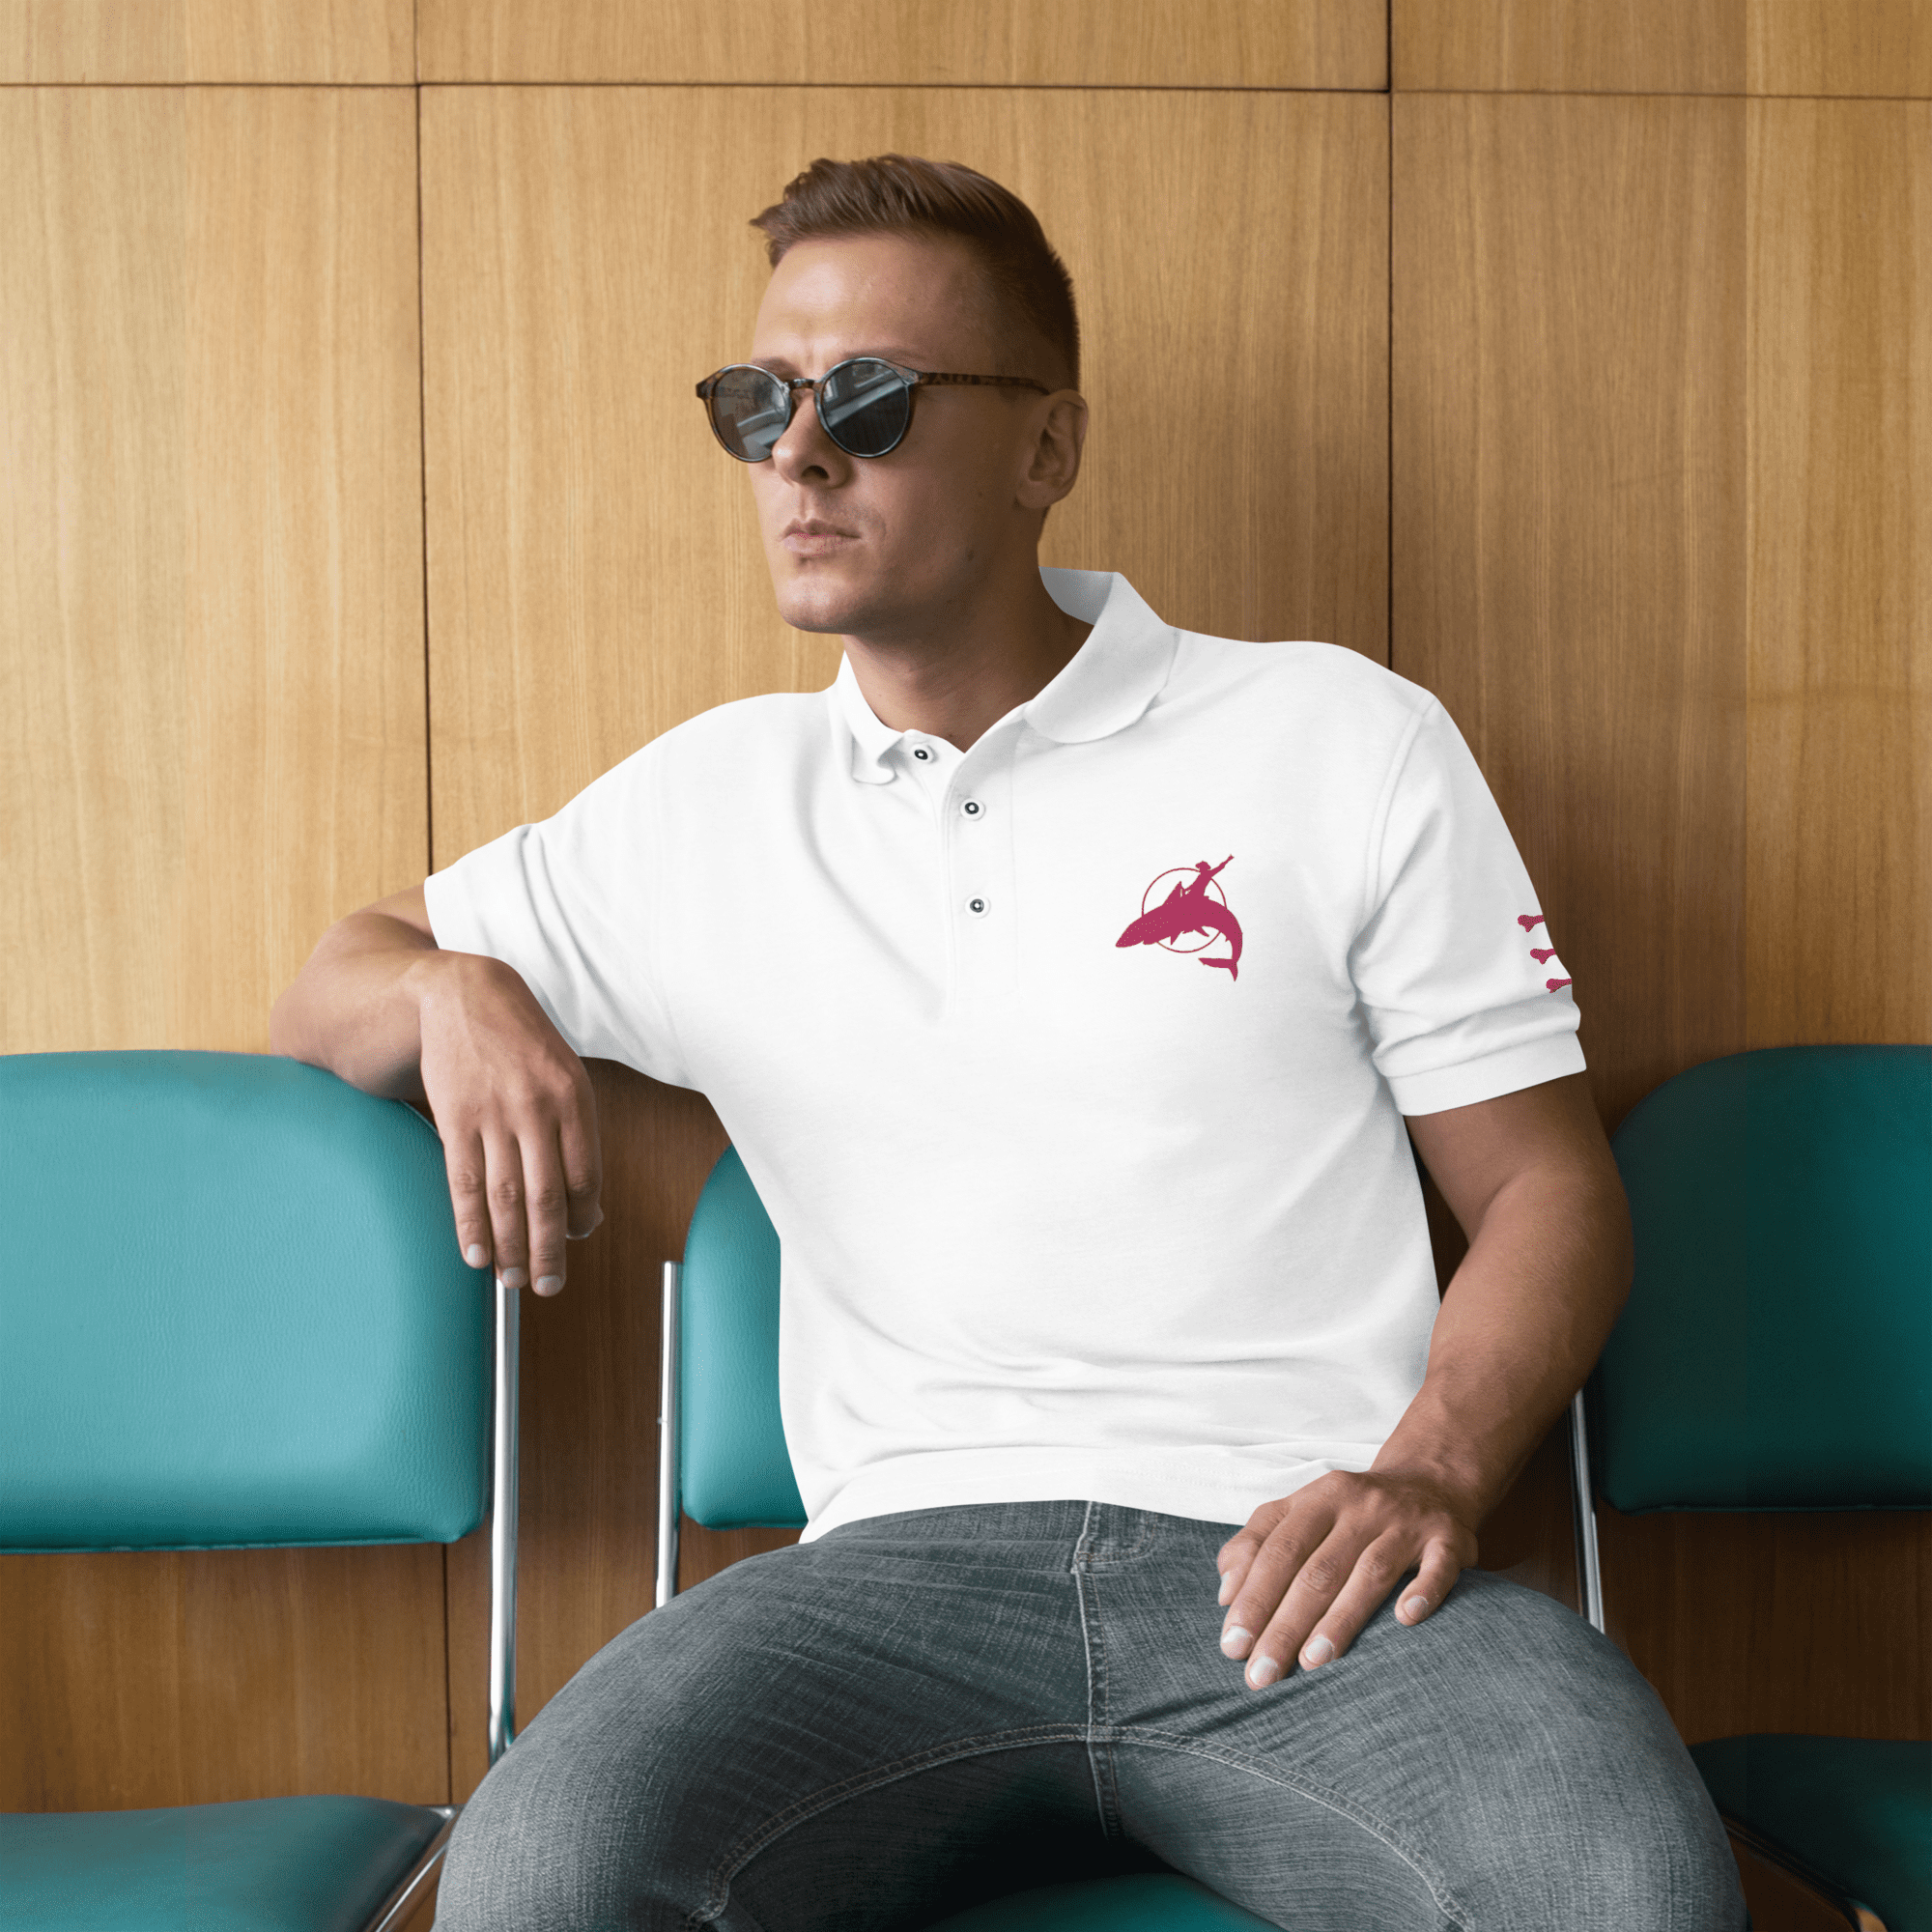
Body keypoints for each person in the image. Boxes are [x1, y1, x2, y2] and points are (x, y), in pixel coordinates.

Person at [270, 154, 1748, 1931]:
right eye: (758, 403)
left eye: (871, 402)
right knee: (543, 1880)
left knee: (1626, 1890)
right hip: (887, 1588)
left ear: (1048, 447)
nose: (801, 457)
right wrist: (455, 991)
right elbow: (334, 981)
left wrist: (1429, 1468)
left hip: (1308, 1567)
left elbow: (1546, 1194)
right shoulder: (709, 807)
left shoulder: (1338, 740)